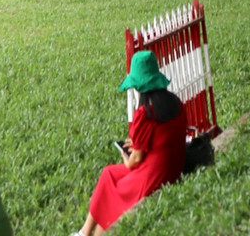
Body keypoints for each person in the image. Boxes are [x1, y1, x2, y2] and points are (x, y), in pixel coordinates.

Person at [76, 49, 187, 235]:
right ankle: (84, 233)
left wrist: (125, 155)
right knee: (108, 175)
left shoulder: (145, 114)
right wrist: (137, 143)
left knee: (110, 178)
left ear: (138, 85)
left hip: (152, 179)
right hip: (172, 170)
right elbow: (161, 139)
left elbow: (134, 162)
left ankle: (84, 233)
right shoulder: (176, 104)